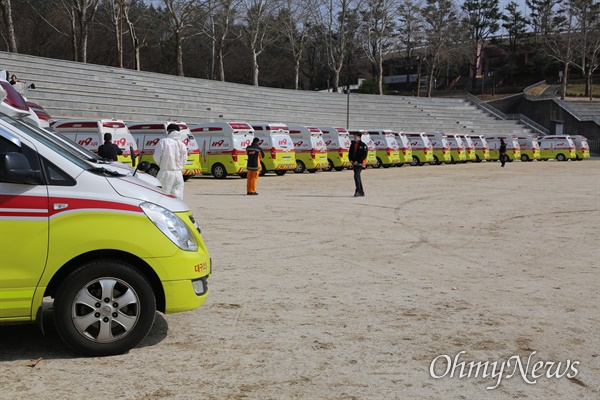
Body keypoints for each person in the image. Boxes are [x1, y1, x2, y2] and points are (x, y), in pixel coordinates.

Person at [154, 123, 188, 199]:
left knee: (162, 196)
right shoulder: (182, 144)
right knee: (178, 197)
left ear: (168, 132)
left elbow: (157, 157)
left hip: (166, 172)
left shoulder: (163, 142)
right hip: (178, 174)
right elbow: (184, 160)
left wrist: (162, 165)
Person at [348, 131, 368, 197]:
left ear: (359, 137)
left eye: (355, 136)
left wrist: (358, 161)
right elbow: (350, 153)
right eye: (354, 136)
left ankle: (358, 190)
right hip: (354, 163)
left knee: (356, 176)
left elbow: (364, 155)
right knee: (357, 176)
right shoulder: (353, 144)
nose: (354, 137)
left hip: (360, 164)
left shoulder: (363, 145)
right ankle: (361, 191)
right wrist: (351, 160)